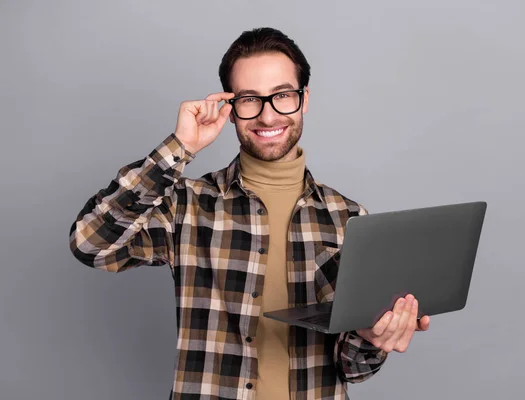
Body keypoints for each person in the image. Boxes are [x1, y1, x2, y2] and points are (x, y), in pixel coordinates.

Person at [69, 27, 431, 400]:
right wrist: (180, 147)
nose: (267, 115)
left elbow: (351, 370)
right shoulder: (187, 205)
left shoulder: (349, 218)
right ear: (230, 109)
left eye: (283, 96)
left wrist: (373, 339)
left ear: (304, 99)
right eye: (249, 99)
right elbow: (90, 243)